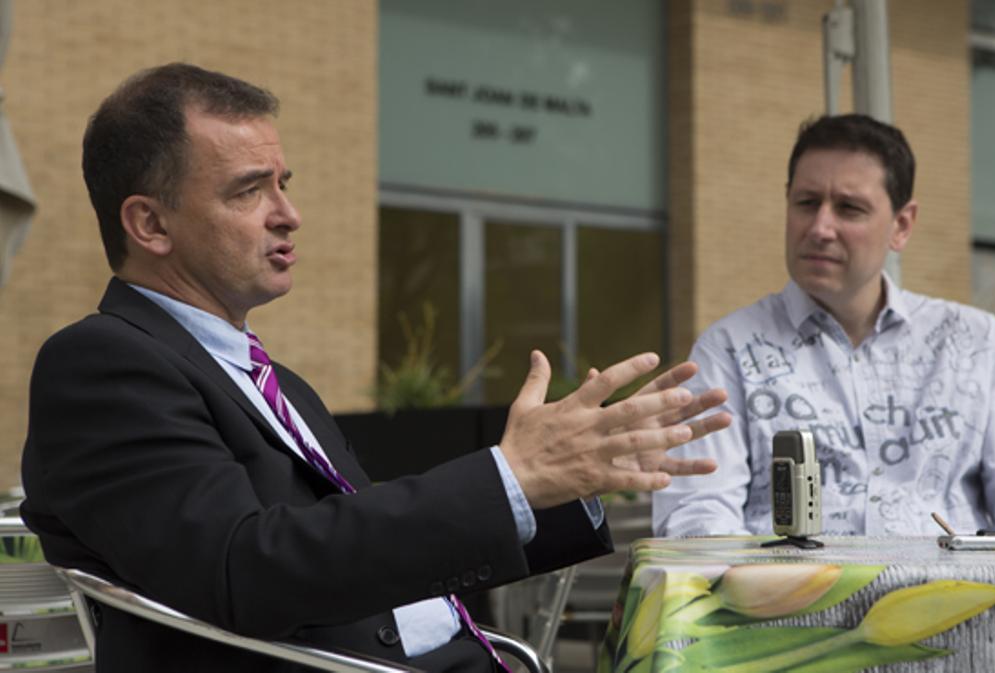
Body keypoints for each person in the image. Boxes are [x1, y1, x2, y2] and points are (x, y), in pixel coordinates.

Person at [19, 63, 731, 672]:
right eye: (248, 190)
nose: (289, 214)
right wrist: (510, 476)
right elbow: (245, 567)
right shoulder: (102, 364)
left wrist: (565, 482)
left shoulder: (272, 380)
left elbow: (362, 536)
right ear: (150, 225)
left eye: (283, 183)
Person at [652, 114, 995, 538]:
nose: (820, 227)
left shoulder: (974, 341)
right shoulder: (728, 349)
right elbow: (696, 513)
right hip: (787, 610)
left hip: (958, 605)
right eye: (806, 203)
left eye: (849, 208)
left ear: (901, 226)